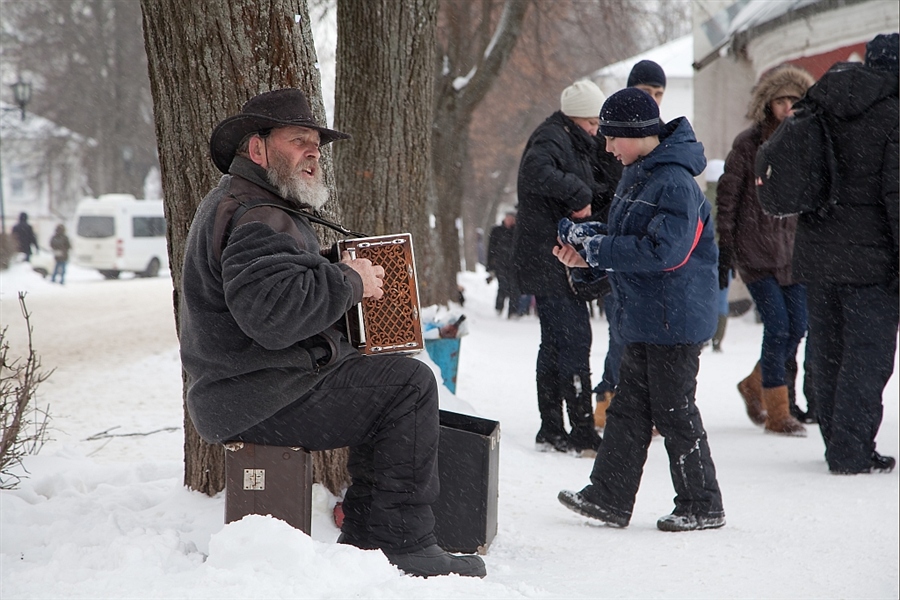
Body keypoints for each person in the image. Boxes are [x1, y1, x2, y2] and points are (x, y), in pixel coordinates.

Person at [178, 88, 485, 578]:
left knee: (386, 382)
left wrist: (335, 271)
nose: (313, 152)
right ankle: (401, 542)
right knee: (409, 386)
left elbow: (267, 290)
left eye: (315, 144)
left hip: (249, 390)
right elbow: (272, 319)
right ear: (257, 149)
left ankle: (370, 533)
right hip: (257, 397)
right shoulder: (258, 216)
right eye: (298, 140)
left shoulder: (251, 204)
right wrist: (348, 281)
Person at [555, 87, 725, 532]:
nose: (607, 148)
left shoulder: (673, 182)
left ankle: (703, 503)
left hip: (674, 319)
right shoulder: (639, 173)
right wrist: (587, 246)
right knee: (629, 409)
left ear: (637, 132)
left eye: (613, 138)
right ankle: (609, 497)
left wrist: (599, 248)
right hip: (647, 317)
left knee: (674, 411)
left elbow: (663, 252)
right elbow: (623, 236)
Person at [769, 34, 899, 474]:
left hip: (818, 253)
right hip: (871, 260)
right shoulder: (893, 114)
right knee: (867, 355)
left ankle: (837, 441)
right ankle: (850, 449)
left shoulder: (822, 101)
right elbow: (896, 196)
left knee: (827, 350)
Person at [716, 64, 815, 435]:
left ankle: (754, 384)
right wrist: (726, 244)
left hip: (793, 251)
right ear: (768, 104)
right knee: (777, 327)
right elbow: (728, 195)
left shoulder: (808, 142)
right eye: (780, 100)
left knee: (797, 327)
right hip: (755, 249)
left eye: (794, 99)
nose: (787, 107)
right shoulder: (749, 143)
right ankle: (778, 412)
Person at [512, 80, 606, 456]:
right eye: (592, 124)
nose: (596, 132)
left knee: (555, 344)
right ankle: (580, 430)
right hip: (548, 259)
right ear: (576, 119)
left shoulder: (572, 139)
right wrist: (579, 195)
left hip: (548, 258)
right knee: (574, 340)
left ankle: (552, 428)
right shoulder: (552, 137)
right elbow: (536, 172)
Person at [592, 59, 665, 430]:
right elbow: (602, 189)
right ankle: (609, 395)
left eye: (658, 94)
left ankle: (629, 403)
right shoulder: (616, 137)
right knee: (618, 330)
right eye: (646, 91)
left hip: (633, 253)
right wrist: (601, 235)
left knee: (631, 332)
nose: (652, 99)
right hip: (617, 247)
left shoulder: (658, 150)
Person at [704, 158, 728, 352]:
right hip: (724, 252)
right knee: (722, 296)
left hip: (706, 253)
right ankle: (718, 338)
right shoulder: (728, 199)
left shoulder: (703, 199)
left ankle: (705, 333)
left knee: (705, 295)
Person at [487, 211, 527, 318]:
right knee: (503, 286)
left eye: (512, 219)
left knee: (514, 288)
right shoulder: (497, 231)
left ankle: (512, 312)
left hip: (515, 265)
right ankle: (499, 308)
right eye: (508, 218)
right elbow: (491, 249)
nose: (510, 221)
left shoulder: (518, 231)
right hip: (500, 264)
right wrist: (490, 266)